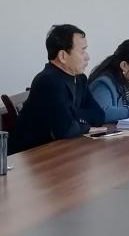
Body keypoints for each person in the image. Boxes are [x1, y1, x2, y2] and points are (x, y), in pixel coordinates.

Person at [8, 24, 105, 153]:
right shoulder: (48, 81)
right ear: (63, 56)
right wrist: (84, 124)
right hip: (32, 155)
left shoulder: (80, 78)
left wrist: (73, 116)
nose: (87, 57)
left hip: (60, 150)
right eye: (82, 51)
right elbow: (66, 129)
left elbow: (99, 115)